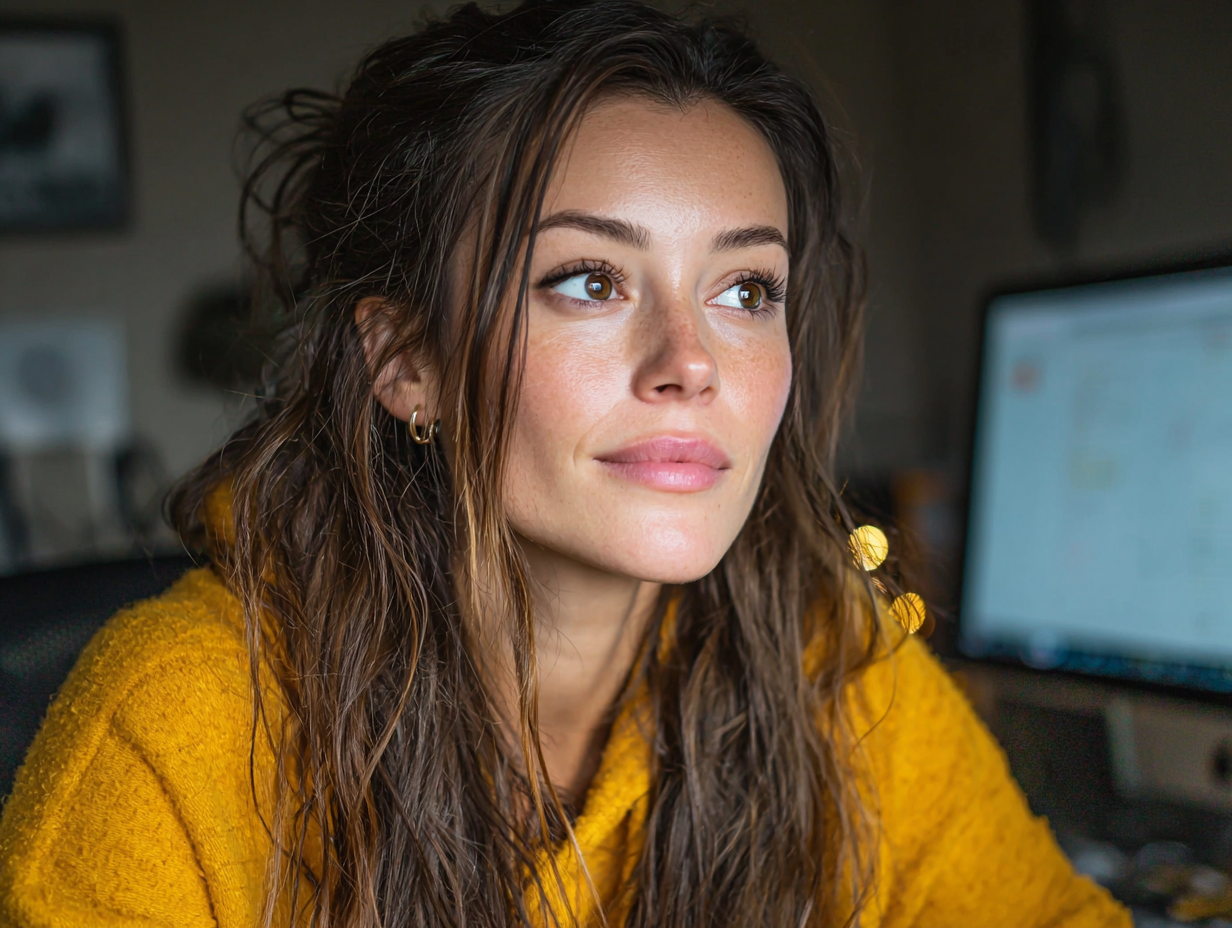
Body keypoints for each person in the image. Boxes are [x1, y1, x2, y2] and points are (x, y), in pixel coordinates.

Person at [0, 2, 1130, 926]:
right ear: (407, 363)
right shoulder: (175, 729)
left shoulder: (827, 662)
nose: (690, 362)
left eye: (744, 290)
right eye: (587, 279)